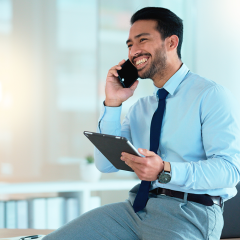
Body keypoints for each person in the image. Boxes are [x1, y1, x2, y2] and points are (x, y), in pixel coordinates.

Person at [43, 7, 240, 240]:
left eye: (142, 40)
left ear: (171, 42)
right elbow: (105, 165)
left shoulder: (210, 94)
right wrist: (113, 103)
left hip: (190, 212)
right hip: (136, 209)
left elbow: (229, 171)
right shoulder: (141, 108)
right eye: (129, 45)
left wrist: (166, 169)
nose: (134, 51)